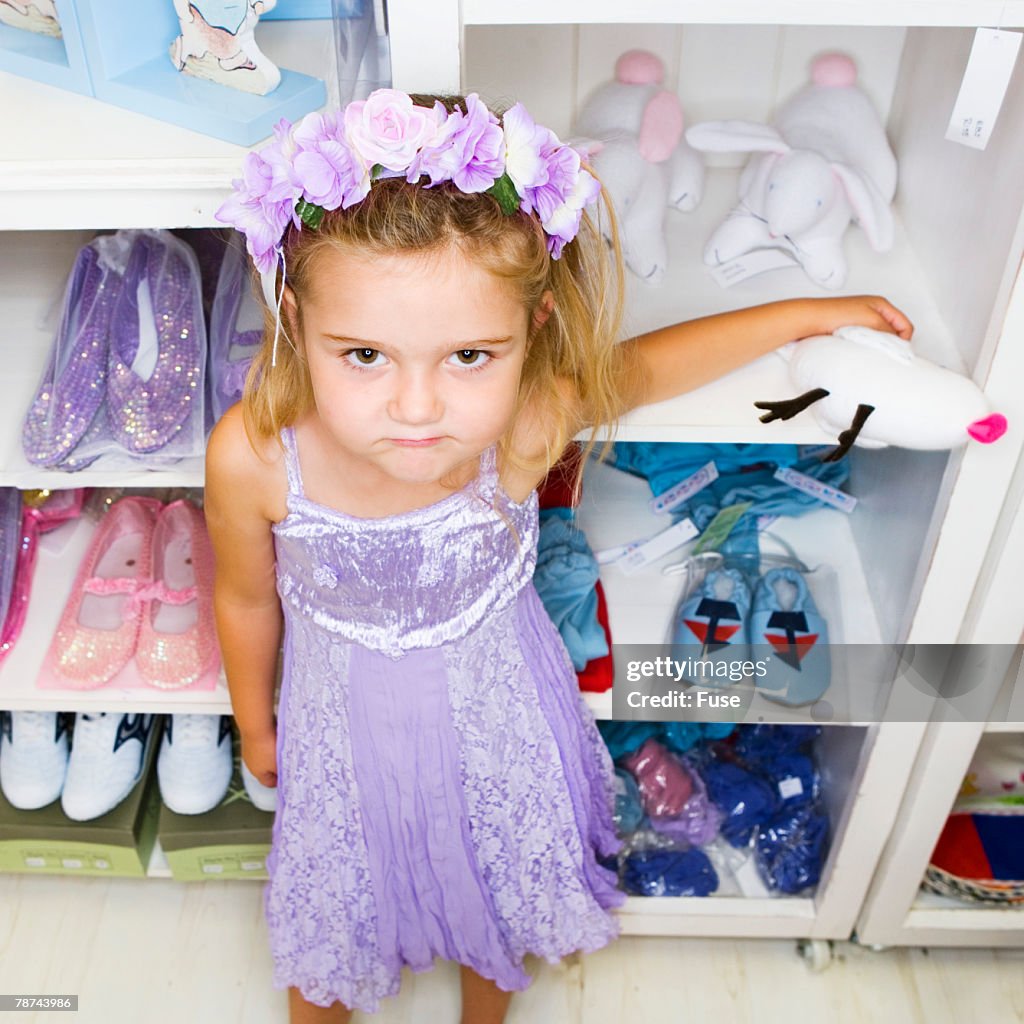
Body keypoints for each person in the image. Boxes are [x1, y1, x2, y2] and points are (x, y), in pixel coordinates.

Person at [205, 89, 912, 1024]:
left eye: (469, 358)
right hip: (344, 734)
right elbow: (248, 600)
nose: (418, 409)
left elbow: (649, 366)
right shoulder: (254, 455)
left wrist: (802, 315)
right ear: (295, 318)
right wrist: (257, 727)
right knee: (337, 909)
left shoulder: (530, 422)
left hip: (500, 717)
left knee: (501, 884)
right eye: (365, 355)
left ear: (529, 334)